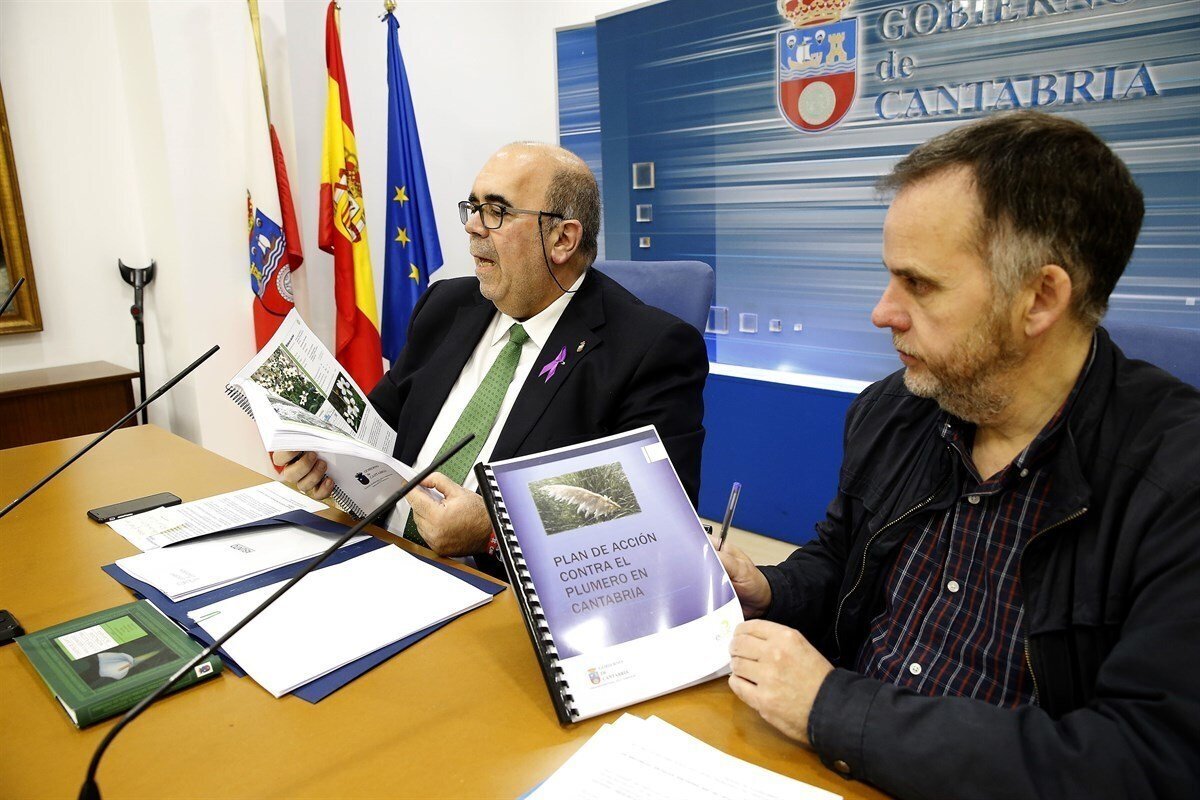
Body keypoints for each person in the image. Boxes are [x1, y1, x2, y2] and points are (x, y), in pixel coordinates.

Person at [713, 111, 1200, 799]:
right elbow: (839, 561)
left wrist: (833, 708)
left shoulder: (1175, 483)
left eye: (919, 284)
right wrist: (769, 590)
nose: (883, 312)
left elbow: (1145, 762)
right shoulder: (896, 411)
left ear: (1040, 298)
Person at [277, 143, 708, 577]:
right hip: (371, 548)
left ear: (563, 239)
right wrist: (324, 460)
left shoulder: (650, 349)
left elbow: (652, 516)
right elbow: (379, 427)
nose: (472, 226)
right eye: (473, 207)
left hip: (493, 587)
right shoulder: (444, 306)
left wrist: (494, 531)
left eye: (496, 211)